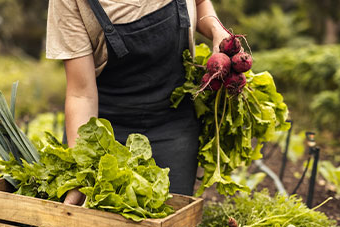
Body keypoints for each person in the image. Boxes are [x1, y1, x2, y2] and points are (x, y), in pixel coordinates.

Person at [46, 0, 230, 205]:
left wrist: (216, 30)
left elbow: (199, 2)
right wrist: (82, 168)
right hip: (106, 135)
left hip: (174, 127)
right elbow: (81, 95)